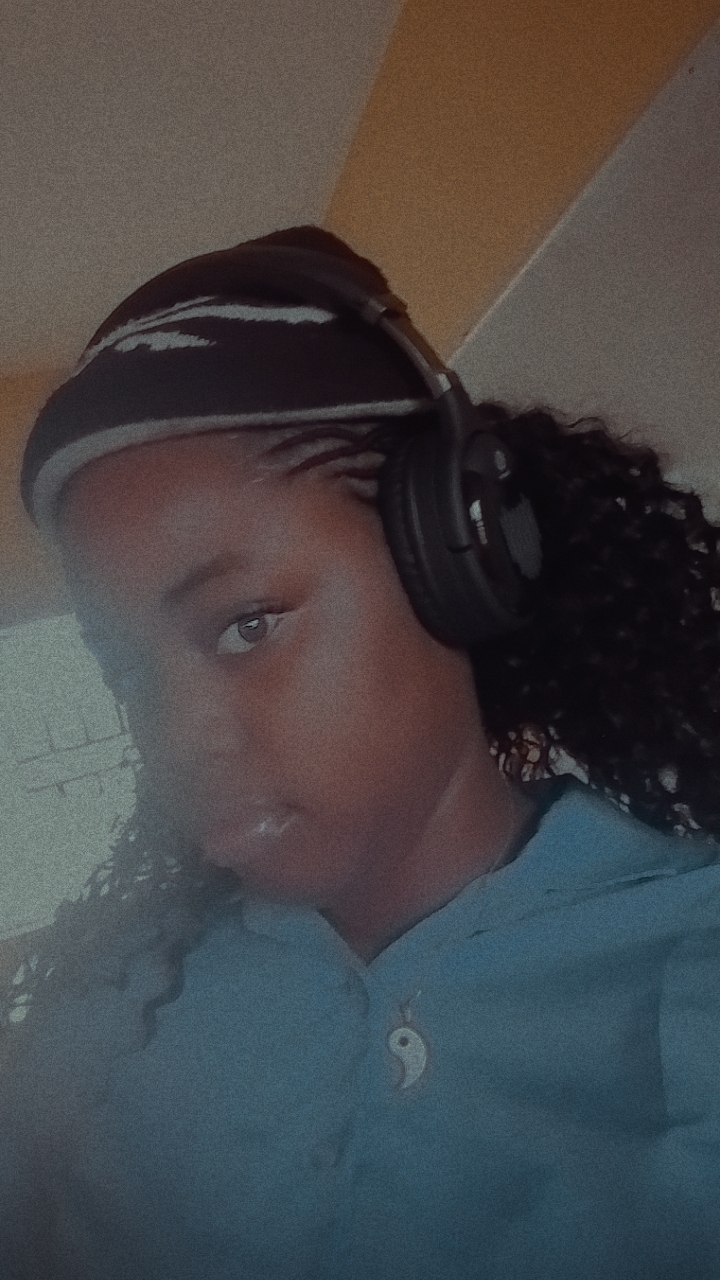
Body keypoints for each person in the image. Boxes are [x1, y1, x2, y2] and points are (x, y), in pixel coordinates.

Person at [1, 224, 720, 1279]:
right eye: (127, 672)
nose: (181, 738)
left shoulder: (695, 971)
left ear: (458, 557)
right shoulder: (92, 1032)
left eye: (247, 623)